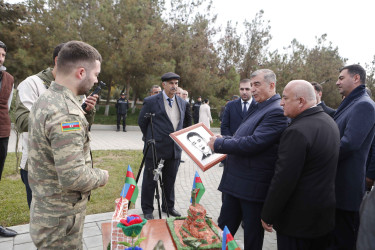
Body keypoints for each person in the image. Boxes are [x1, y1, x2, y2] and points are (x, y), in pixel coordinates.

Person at [27, 41, 109, 249]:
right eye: (96, 74)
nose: (96, 80)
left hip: (48, 211)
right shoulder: (65, 113)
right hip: (61, 220)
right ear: (81, 72)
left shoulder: (46, 98)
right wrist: (102, 176)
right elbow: (73, 176)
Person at [208, 69, 288, 250]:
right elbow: (240, 136)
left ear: (272, 85)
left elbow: (255, 142)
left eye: (257, 84)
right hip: (236, 185)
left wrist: (220, 145)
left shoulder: (276, 111)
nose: (252, 89)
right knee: (222, 231)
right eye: (251, 85)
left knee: (252, 237)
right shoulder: (259, 106)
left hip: (252, 189)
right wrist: (226, 139)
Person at [15, 43, 97, 208]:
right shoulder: (32, 83)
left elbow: (82, 127)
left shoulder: (75, 86)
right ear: (58, 60)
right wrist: (61, 118)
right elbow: (22, 121)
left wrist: (87, 111)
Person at [261, 80, 340, 250]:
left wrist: (268, 213)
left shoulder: (296, 131)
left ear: (301, 101)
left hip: (298, 222)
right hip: (322, 217)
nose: (281, 102)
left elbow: (284, 179)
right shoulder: (329, 121)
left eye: (285, 98)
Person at [332, 64, 375, 249]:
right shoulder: (351, 103)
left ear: (356, 78)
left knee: (343, 241)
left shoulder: (364, 105)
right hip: (336, 188)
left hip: (346, 191)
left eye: (341, 78)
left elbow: (349, 144)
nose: (337, 82)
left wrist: (319, 158)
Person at [138, 72, 186, 220]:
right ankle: (147, 209)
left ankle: (168, 206)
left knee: (170, 180)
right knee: (150, 180)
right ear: (164, 84)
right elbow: (142, 122)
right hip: (155, 149)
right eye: (171, 83)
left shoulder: (183, 102)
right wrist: (150, 138)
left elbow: (185, 124)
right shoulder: (151, 101)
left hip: (174, 150)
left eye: (176, 83)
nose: (174, 86)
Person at [0, 41, 18, 238]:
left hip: (2, 133)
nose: (0, 58)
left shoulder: (9, 79)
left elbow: (7, 104)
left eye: (3, 55)